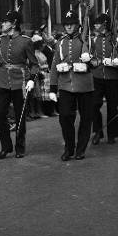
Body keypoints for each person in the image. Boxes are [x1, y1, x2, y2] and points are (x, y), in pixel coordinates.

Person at [48, 9, 94, 160]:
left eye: (71, 24)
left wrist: (89, 60)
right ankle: (69, 147)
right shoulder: (60, 43)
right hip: (66, 84)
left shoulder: (85, 40)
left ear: (77, 25)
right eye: (66, 24)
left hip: (84, 85)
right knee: (65, 117)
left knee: (86, 118)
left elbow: (96, 63)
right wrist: (53, 87)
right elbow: (55, 64)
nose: (68, 27)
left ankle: (81, 148)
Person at [0, 10, 38, 159]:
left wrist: (32, 79)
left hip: (21, 82)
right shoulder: (0, 39)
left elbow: (34, 64)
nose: (3, 24)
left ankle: (20, 147)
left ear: (14, 24)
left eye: (6, 21)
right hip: (3, 81)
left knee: (20, 116)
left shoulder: (26, 41)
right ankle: (6, 146)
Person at [90, 13, 118, 145]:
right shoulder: (93, 39)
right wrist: (91, 61)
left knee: (112, 107)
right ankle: (97, 132)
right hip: (97, 76)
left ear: (104, 25)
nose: (95, 25)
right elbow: (89, 56)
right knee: (94, 105)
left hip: (112, 77)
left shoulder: (116, 40)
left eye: (97, 23)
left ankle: (112, 134)